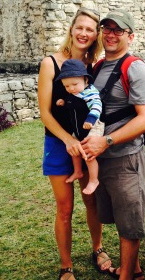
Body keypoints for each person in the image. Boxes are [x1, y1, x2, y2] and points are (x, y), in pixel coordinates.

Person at [38, 7, 112, 280]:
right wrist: (68, 139)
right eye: (79, 27)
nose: (83, 33)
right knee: (65, 208)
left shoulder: (96, 67)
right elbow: (45, 112)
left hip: (88, 141)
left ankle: (98, 248)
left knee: (91, 200)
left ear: (96, 36)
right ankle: (66, 266)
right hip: (59, 143)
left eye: (90, 30)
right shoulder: (51, 63)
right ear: (71, 29)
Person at [81, 9, 145, 280]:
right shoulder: (99, 66)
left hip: (126, 157)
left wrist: (106, 141)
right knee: (116, 216)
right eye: (107, 29)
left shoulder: (136, 68)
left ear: (130, 36)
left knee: (129, 222)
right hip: (101, 158)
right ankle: (132, 271)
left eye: (118, 30)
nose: (111, 34)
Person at [55, 59, 104, 195]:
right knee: (74, 149)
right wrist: (63, 102)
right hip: (78, 128)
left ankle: (94, 180)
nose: (71, 88)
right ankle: (78, 171)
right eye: (67, 86)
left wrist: (91, 119)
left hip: (93, 126)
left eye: (74, 84)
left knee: (88, 153)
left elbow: (96, 105)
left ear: (85, 80)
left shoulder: (90, 92)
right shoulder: (73, 93)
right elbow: (73, 103)